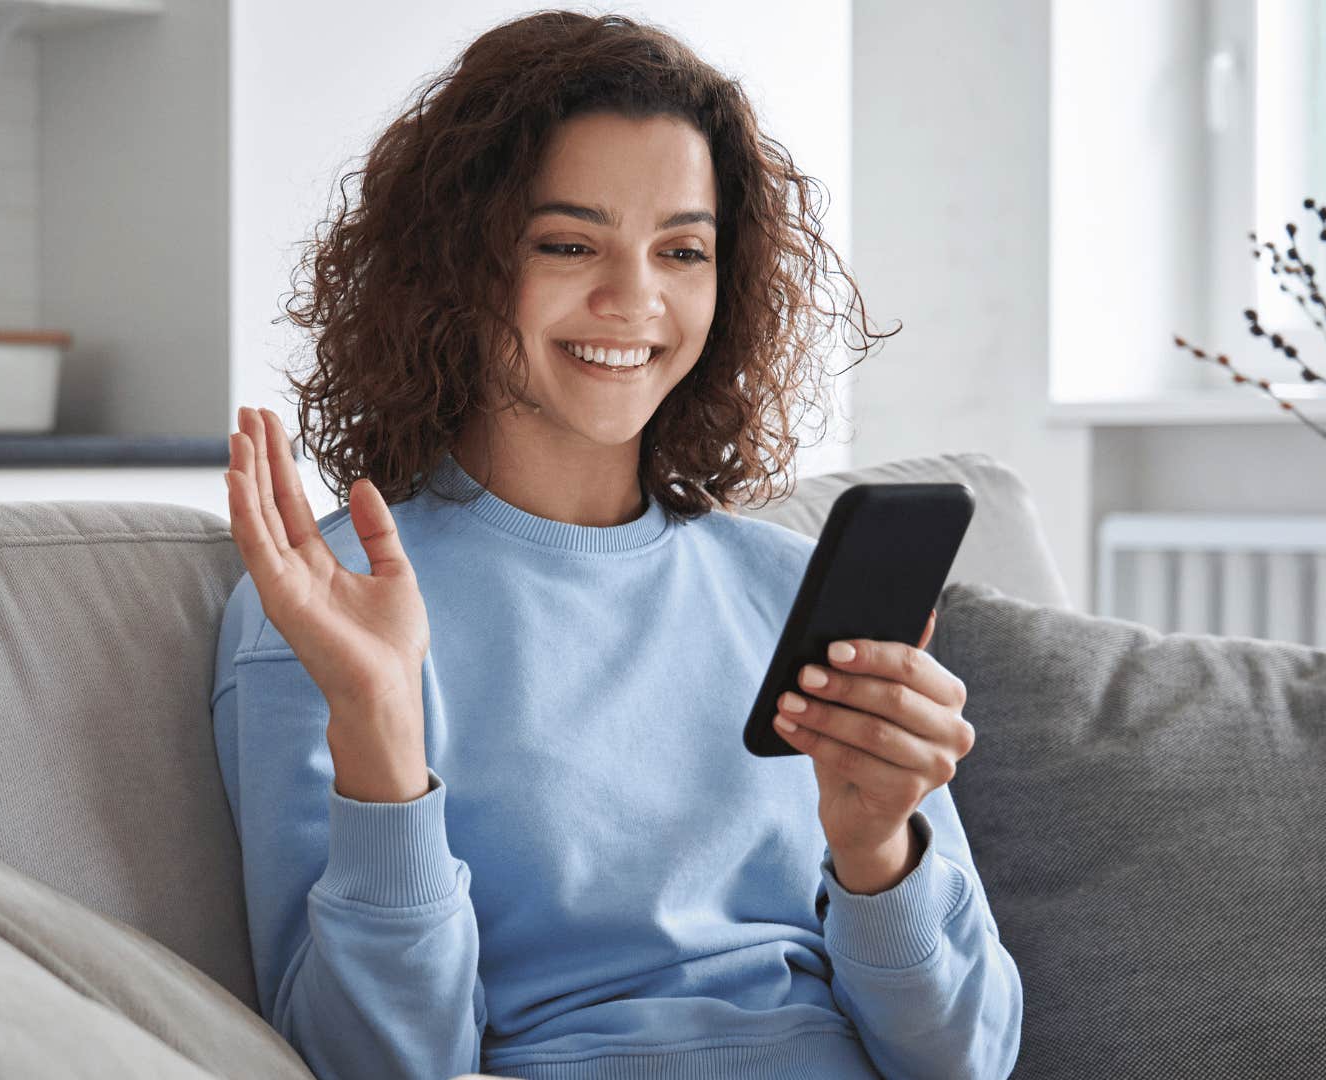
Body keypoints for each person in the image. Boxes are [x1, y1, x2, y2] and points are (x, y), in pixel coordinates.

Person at [213, 11, 1022, 1079]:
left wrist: (879, 853)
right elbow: (379, 1063)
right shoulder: (327, 609)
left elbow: (967, 1059)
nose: (634, 299)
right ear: (457, 266)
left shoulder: (786, 587)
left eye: (682, 250)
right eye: (567, 243)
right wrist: (379, 734)